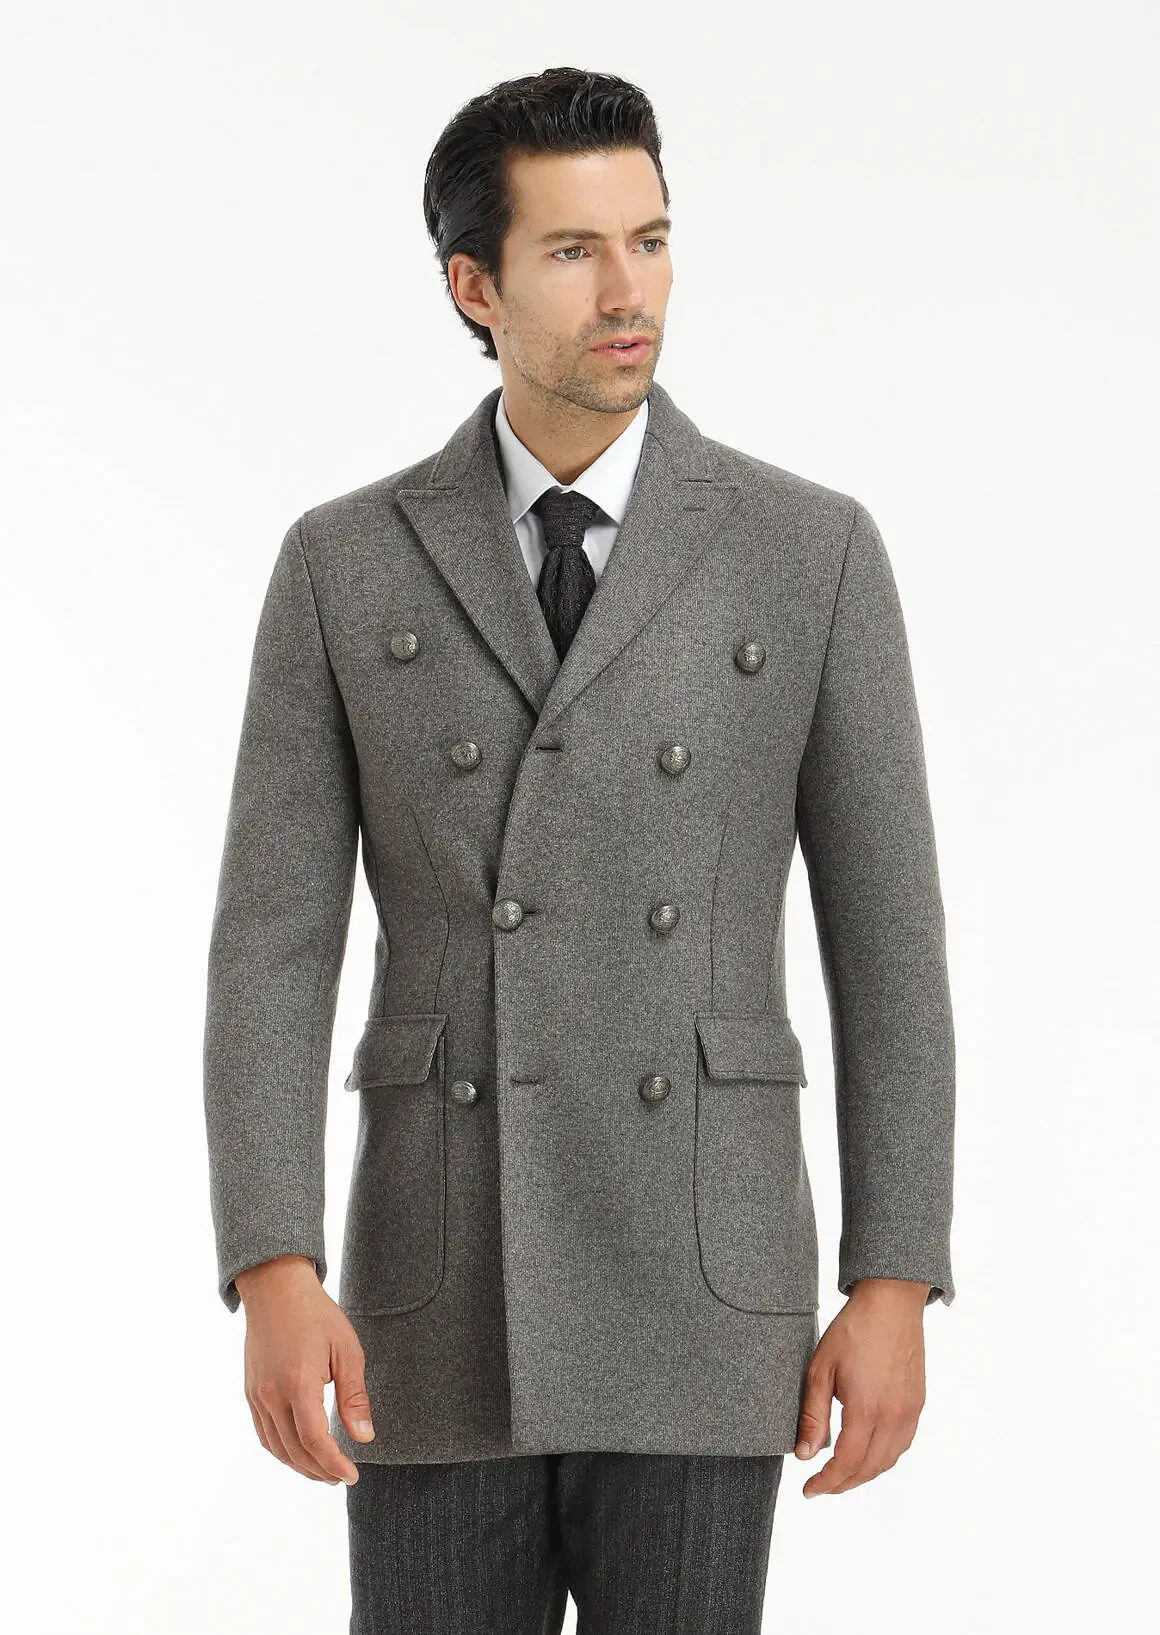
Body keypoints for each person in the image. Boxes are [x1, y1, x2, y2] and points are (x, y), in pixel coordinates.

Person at [203, 64, 956, 1635]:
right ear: (473, 286)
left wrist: (895, 1274)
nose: (630, 291)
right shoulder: (344, 562)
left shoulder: (808, 551)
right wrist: (273, 1260)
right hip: (435, 1278)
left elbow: (889, 944)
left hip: (705, 1269)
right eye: (574, 251)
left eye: (651, 240)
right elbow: (273, 945)